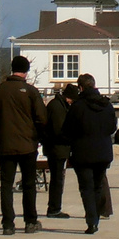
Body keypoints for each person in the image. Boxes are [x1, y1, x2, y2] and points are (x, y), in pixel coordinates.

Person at [0, 55, 48, 235]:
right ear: (26, 71)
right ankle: (30, 221)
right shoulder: (30, 91)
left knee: (6, 185)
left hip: (6, 145)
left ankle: (8, 224)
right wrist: (37, 136)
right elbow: (41, 118)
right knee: (29, 184)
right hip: (28, 145)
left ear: (12, 69)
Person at [66, 73, 118, 233]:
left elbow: (68, 129)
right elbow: (112, 127)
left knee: (86, 188)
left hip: (83, 153)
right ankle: (95, 216)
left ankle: (92, 220)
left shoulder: (77, 107)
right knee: (97, 186)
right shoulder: (106, 105)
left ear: (80, 88)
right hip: (103, 152)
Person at [43, 84, 76, 218]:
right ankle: (54, 208)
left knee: (57, 179)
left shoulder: (57, 105)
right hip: (57, 149)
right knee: (57, 179)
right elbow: (58, 130)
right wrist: (71, 139)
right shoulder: (57, 107)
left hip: (56, 148)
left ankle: (54, 206)